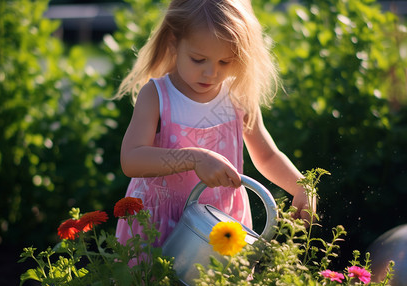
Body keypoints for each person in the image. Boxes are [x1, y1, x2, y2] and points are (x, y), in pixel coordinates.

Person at [115, 0, 314, 248]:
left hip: (221, 222)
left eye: (225, 62)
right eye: (198, 60)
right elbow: (131, 160)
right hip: (160, 223)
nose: (211, 73)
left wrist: (302, 187)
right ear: (173, 43)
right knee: (156, 285)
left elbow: (268, 156)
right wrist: (194, 158)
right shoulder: (157, 95)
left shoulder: (238, 96)